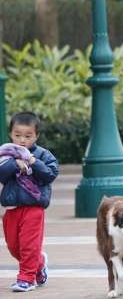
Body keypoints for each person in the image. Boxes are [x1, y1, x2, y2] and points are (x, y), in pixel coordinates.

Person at [0, 112, 59, 292]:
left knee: (29, 245)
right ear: (10, 134)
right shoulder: (5, 154)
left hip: (34, 207)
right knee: (14, 247)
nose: (22, 140)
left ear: (36, 135)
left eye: (28, 136)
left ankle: (26, 278)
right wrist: (14, 163)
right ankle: (39, 263)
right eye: (17, 135)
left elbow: (50, 174)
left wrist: (33, 162)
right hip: (11, 208)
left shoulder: (42, 154)